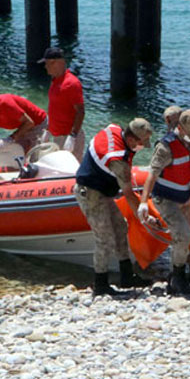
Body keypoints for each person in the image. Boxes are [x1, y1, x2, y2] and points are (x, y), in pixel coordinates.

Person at [74, 119, 154, 296]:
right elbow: (128, 192)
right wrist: (143, 214)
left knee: (120, 228)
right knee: (105, 239)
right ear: (132, 140)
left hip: (102, 191)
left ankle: (126, 276)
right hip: (91, 194)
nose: (142, 147)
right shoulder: (118, 161)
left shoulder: (114, 129)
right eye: (142, 143)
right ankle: (100, 283)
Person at [138, 109, 190, 297]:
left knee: (185, 235)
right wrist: (144, 202)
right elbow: (152, 174)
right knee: (183, 234)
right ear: (181, 129)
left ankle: (176, 274)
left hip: (184, 197)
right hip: (165, 198)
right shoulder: (166, 147)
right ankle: (177, 278)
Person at [39, 47, 86, 162]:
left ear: (55, 63)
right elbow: (54, 108)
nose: (45, 67)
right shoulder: (55, 81)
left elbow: (81, 111)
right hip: (57, 137)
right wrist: (48, 130)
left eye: (46, 63)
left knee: (70, 173)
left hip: (68, 137)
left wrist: (73, 137)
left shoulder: (71, 83)